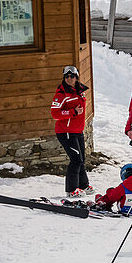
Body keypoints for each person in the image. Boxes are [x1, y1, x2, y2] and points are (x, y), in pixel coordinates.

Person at [51, 65, 93, 198]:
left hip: (77, 130)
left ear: (76, 77)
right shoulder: (61, 95)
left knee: (81, 159)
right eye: (67, 76)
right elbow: (55, 114)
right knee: (76, 160)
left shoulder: (80, 91)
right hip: (66, 132)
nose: (70, 79)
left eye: (72, 76)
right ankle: (71, 189)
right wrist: (72, 112)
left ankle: (83, 185)